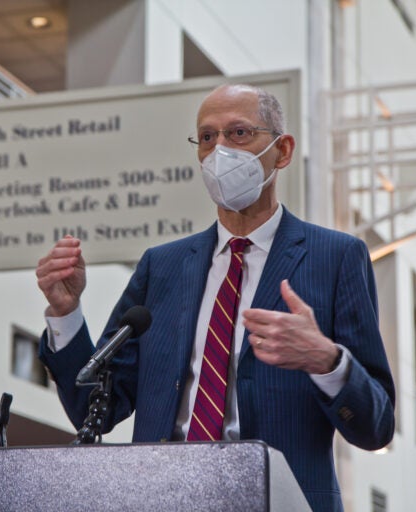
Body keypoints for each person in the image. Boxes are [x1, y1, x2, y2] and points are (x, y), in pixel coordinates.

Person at [36, 83, 395, 512]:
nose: (220, 150)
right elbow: (93, 407)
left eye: (239, 133)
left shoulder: (335, 258)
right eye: (207, 137)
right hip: (161, 498)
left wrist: (327, 361)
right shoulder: (162, 266)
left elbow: (376, 427)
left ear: (281, 152)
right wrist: (66, 312)